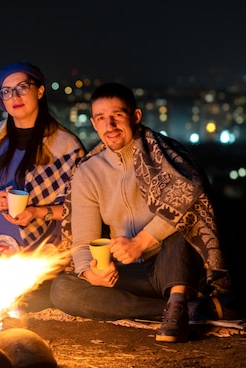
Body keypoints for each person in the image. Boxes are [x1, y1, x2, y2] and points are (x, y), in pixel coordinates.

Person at [50, 82, 238, 343]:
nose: (110, 125)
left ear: (135, 116)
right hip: (126, 274)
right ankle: (183, 311)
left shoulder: (167, 155)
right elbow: (83, 241)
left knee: (182, 226)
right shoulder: (88, 171)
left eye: (117, 115)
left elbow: (193, 194)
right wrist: (89, 271)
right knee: (62, 290)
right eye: (102, 118)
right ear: (94, 123)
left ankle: (177, 302)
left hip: (172, 268)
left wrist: (142, 242)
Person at [0, 61, 86, 308]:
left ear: (39, 91)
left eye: (22, 88)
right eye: (6, 91)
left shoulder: (67, 148)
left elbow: (82, 207)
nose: (14, 96)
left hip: (44, 248)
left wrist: (37, 212)